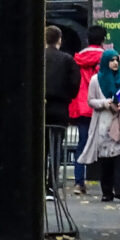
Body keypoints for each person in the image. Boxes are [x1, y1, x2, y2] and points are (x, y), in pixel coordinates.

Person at [79, 49, 120, 203]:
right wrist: (104, 103)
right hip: (103, 123)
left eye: (116, 60)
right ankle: (107, 192)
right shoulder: (96, 80)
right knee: (106, 160)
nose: (115, 63)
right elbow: (91, 100)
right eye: (111, 60)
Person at [69, 25, 107, 196]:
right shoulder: (106, 58)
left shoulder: (78, 58)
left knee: (82, 144)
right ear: (103, 39)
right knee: (107, 144)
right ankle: (108, 184)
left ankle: (79, 182)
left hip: (82, 106)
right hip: (100, 105)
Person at [42, 25, 80, 196]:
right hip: (60, 108)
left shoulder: (38, 57)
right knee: (56, 148)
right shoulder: (67, 60)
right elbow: (74, 85)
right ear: (59, 39)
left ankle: (39, 182)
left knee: (40, 148)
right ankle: (52, 184)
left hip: (40, 108)